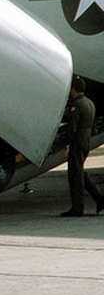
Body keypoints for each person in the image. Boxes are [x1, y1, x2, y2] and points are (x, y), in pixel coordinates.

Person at [61, 76, 104, 217]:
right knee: (80, 171)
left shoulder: (76, 105)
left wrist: (67, 144)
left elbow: (72, 127)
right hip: (86, 140)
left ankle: (77, 208)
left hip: (77, 141)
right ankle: (99, 198)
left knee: (75, 176)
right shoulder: (89, 103)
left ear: (73, 89)